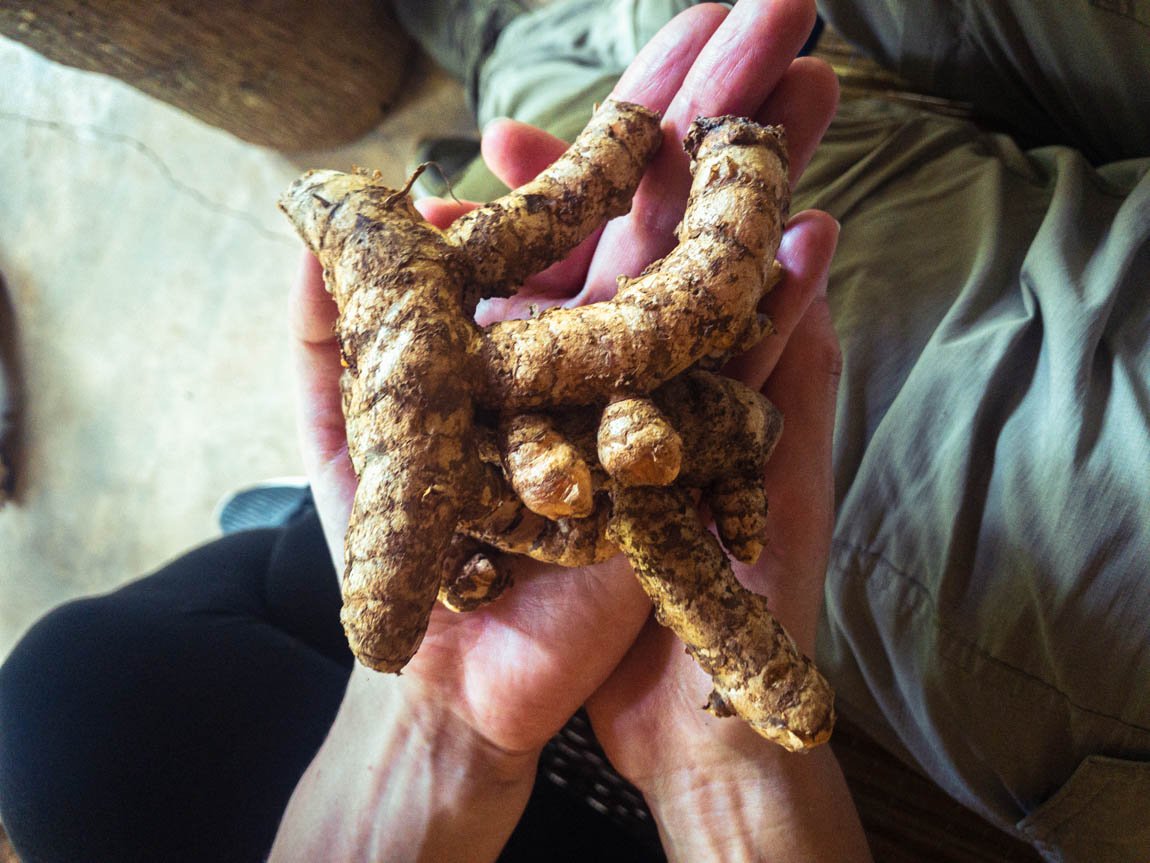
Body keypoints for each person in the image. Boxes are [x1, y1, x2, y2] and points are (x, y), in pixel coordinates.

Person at [1, 1, 1148, 862]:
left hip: (484, 541)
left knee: (66, 704)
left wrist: (434, 736)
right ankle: (516, 30)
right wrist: (728, 777)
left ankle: (507, 31)